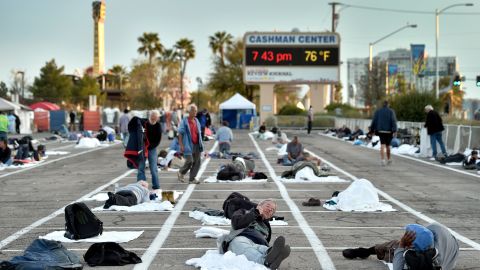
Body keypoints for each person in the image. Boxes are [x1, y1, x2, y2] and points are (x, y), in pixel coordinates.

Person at [343, 223, 459, 270]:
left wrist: (402, 246)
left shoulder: (434, 262)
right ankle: (367, 251)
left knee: (396, 247)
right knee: (396, 245)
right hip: (447, 240)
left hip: (449, 253)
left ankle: (367, 251)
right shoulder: (429, 234)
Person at [218, 199, 290, 269]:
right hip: (240, 238)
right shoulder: (243, 212)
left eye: (272, 210)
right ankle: (265, 261)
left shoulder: (267, 227)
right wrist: (256, 212)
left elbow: (264, 242)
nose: (270, 210)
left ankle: (272, 253)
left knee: (261, 249)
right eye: (268, 206)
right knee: (241, 245)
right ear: (259, 205)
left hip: (256, 244)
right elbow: (236, 224)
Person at [177, 104, 204, 184]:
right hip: (188, 144)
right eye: (193, 110)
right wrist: (181, 145)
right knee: (190, 161)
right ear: (189, 111)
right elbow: (180, 133)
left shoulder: (196, 120)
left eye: (196, 110)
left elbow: (198, 133)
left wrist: (201, 142)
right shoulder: (184, 121)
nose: (195, 112)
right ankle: (181, 172)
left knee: (197, 162)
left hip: (197, 144)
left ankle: (192, 179)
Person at [137, 110, 162, 191]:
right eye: (152, 116)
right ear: (150, 116)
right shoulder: (144, 124)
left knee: (153, 168)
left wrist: (149, 147)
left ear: (157, 117)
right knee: (141, 167)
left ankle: (156, 186)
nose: (154, 118)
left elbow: (158, 140)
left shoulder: (158, 126)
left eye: (155, 116)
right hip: (142, 148)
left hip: (152, 148)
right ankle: (141, 185)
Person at [371, 100, 397, 166]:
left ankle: (382, 160)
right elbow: (393, 121)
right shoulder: (391, 111)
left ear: (383, 104)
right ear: (388, 105)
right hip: (389, 131)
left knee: (382, 144)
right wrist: (395, 130)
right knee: (388, 145)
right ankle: (388, 159)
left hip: (381, 131)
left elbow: (374, 120)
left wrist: (372, 129)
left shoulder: (378, 111)